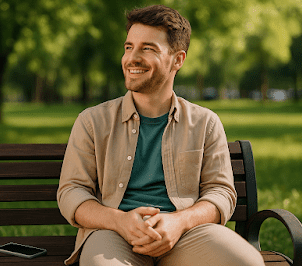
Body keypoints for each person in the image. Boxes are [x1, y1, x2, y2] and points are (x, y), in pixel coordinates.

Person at [57, 5, 265, 266]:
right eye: (129, 47)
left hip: (186, 235)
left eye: (147, 48)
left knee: (248, 262)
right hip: (113, 234)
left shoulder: (205, 123)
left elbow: (221, 191)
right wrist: (119, 220)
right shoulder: (92, 121)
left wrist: (179, 221)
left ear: (178, 59)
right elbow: (72, 192)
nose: (132, 58)